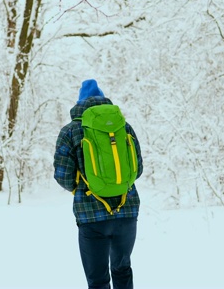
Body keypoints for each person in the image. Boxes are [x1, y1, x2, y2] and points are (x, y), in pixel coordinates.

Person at [54, 79, 143, 289]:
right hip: (127, 211)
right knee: (123, 270)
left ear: (80, 103)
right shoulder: (124, 126)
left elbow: (62, 175)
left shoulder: (70, 131)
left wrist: (82, 187)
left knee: (98, 280)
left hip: (91, 215)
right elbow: (137, 169)